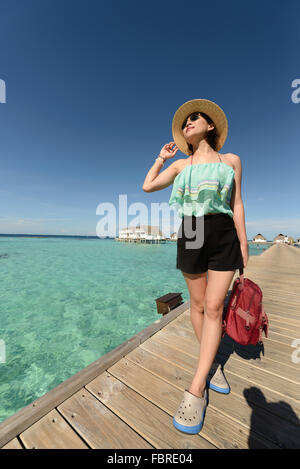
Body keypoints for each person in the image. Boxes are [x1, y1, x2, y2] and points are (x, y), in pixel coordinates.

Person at [142, 98, 248, 434]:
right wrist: (162, 158)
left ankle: (197, 386)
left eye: (195, 118)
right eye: (185, 121)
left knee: (216, 307)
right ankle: (212, 367)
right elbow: (147, 186)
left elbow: (237, 203)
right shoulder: (181, 166)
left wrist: (244, 243)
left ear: (211, 125)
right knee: (199, 306)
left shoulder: (231, 160)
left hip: (222, 230)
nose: (189, 122)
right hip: (190, 230)